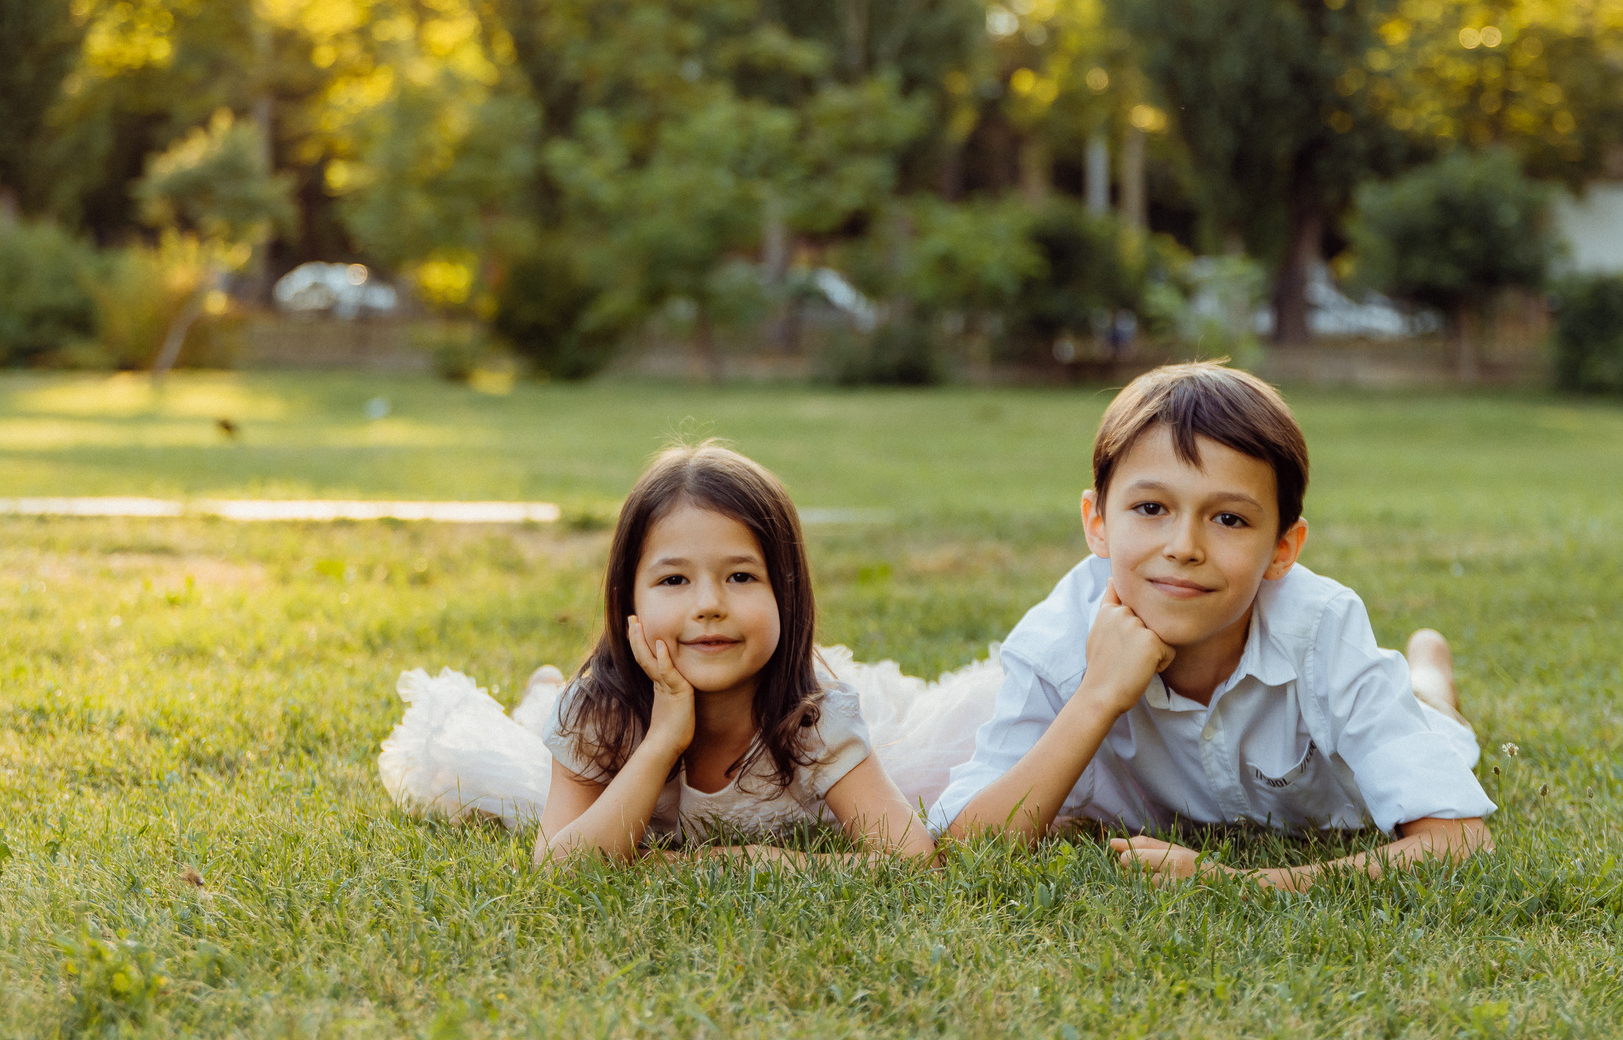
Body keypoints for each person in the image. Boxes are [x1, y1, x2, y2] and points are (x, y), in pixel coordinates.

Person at [931, 361, 1494, 889]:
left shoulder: (1322, 627)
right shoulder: (1055, 640)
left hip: (1381, 740)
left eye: (1228, 519)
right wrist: (1098, 696)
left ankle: (1427, 676)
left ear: (1281, 548)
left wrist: (1246, 885)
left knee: (1433, 717)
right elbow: (965, 848)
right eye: (1151, 508)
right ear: (1097, 522)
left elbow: (1461, 842)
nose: (1184, 548)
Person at [379, 441, 963, 864]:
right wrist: (663, 740)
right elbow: (558, 871)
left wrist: (744, 861)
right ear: (626, 598)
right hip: (607, 730)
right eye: (674, 581)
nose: (709, 605)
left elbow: (911, 859)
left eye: (740, 577)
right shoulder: (596, 716)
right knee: (532, 739)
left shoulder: (812, 718)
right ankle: (542, 690)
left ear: (787, 592)